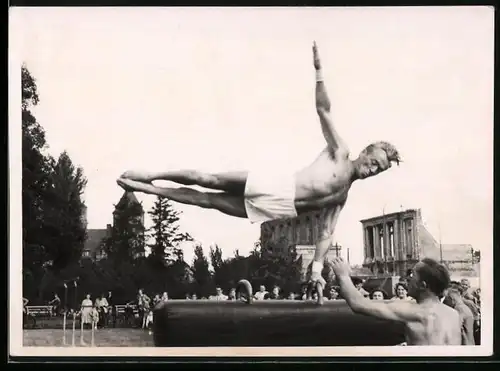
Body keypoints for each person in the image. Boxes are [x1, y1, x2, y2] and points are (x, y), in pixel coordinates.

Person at [116, 41, 401, 291]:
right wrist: (319, 71)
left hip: (278, 209)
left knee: (209, 202)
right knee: (209, 180)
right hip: (278, 184)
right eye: (374, 163)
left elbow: (325, 235)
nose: (372, 170)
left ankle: (144, 189)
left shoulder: (341, 198)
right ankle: (151, 175)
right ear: (365, 153)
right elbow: (323, 110)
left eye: (379, 171)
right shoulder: (340, 152)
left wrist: (316, 271)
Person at [331, 257, 461, 345]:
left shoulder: (416, 312)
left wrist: (342, 275)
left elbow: (358, 304)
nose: (406, 279)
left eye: (412, 275)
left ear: (423, 285)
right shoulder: (453, 314)